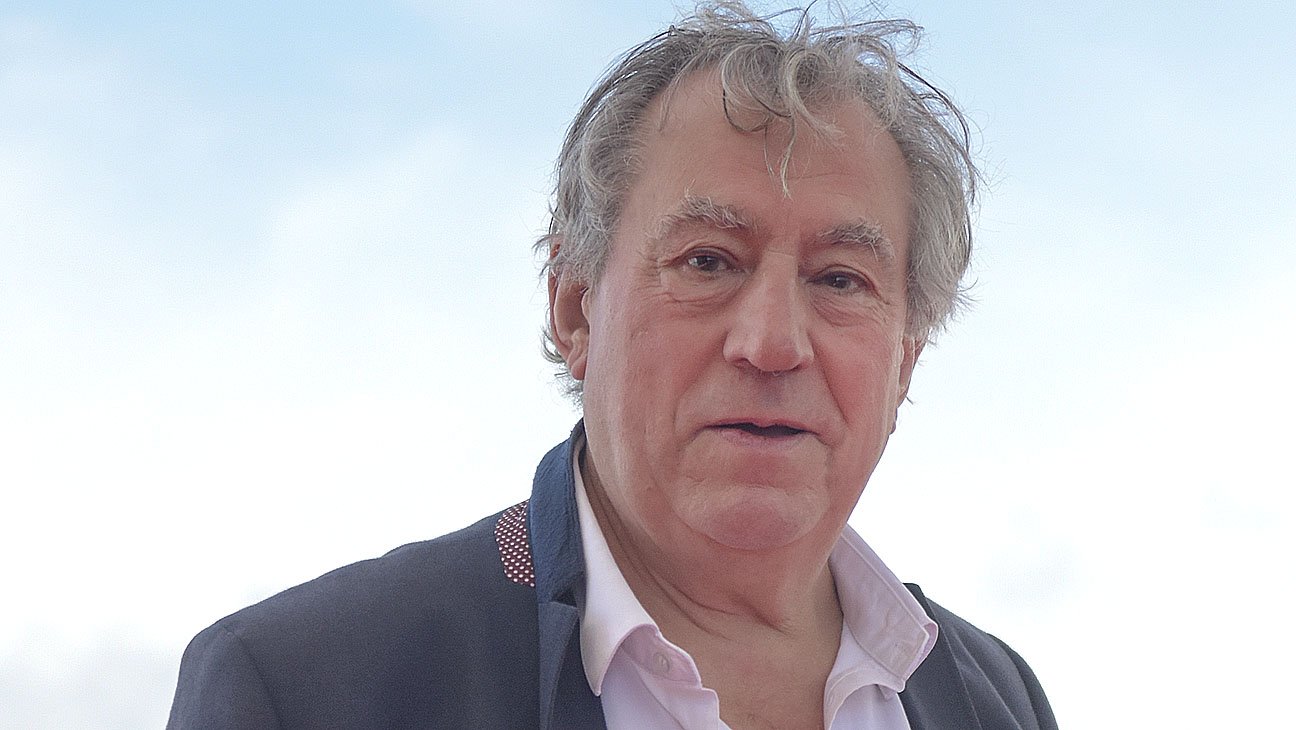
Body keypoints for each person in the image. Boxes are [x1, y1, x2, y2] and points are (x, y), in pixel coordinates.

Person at [167, 3, 1057, 728]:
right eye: (708, 261)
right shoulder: (306, 690)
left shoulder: (998, 700)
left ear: (904, 359)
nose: (773, 343)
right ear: (575, 308)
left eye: (840, 278)